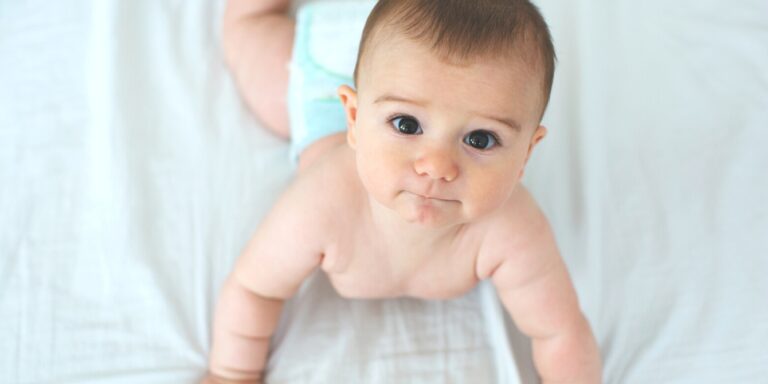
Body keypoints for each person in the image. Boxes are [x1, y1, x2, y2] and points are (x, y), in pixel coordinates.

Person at [205, 0, 602, 383]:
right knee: (254, 50)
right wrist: (231, 374)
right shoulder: (320, 206)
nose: (436, 166)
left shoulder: (512, 229)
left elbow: (559, 331)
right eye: (407, 126)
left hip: (400, 73)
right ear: (356, 118)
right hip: (325, 97)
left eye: (480, 139)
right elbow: (253, 289)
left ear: (526, 153)